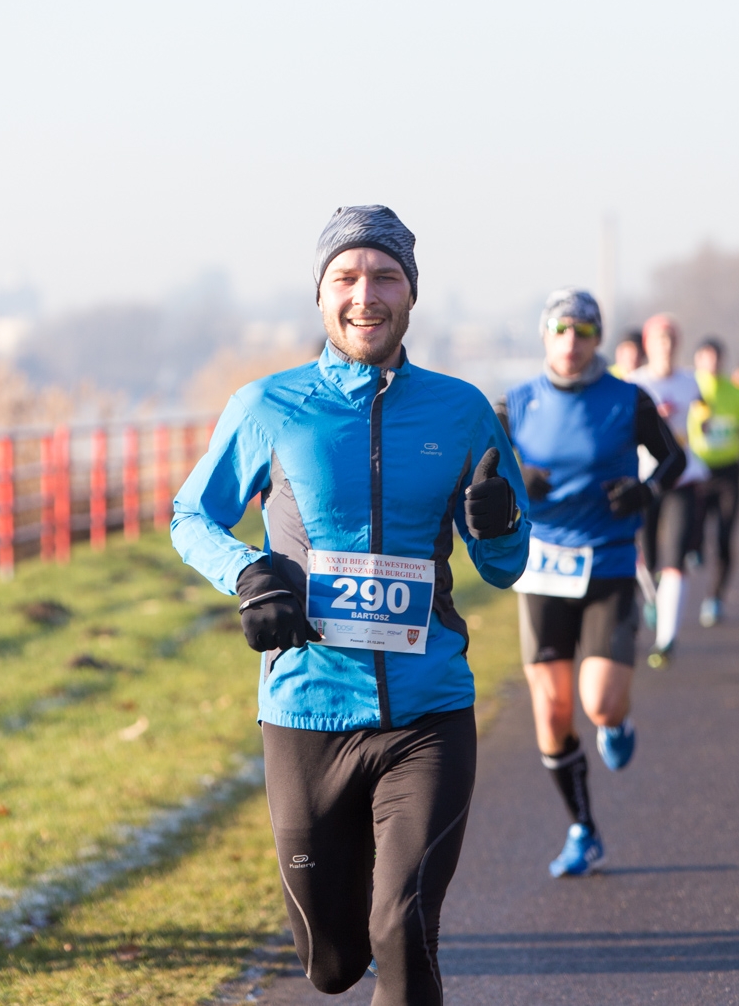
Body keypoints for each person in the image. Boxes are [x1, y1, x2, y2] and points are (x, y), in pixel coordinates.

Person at [170, 205, 529, 1005]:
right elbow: (191, 516)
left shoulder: (461, 410)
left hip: (428, 712)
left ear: (411, 293)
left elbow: (507, 564)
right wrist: (249, 573)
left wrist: (499, 528)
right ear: (323, 294)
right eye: (347, 277)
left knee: (402, 924)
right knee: (332, 962)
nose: (366, 294)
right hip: (306, 711)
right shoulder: (269, 405)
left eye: (385, 277)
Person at [498, 289, 683, 876]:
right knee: (551, 711)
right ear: (545, 336)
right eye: (560, 330)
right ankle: (582, 827)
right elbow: (481, 468)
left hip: (605, 565)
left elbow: (673, 459)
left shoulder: (627, 401)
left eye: (582, 332)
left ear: (598, 339)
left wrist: (646, 492)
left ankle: (617, 723)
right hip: (542, 568)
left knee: (598, 702)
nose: (570, 343)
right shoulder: (517, 404)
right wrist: (515, 476)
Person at [629, 314, 708, 665]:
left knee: (674, 559)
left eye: (671, 339)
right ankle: (652, 600)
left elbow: (707, 415)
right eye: (659, 339)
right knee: (647, 560)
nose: (666, 346)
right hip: (645, 482)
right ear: (647, 345)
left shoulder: (691, 382)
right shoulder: (633, 385)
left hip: (682, 477)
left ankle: (666, 640)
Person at [686, 338, 739, 627]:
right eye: (706, 358)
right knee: (689, 534)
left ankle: (715, 598)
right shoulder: (688, 389)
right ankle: (688, 559)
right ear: (696, 361)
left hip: (729, 473)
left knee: (724, 537)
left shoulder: (736, 392)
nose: (712, 364)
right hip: (695, 473)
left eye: (716, 358)